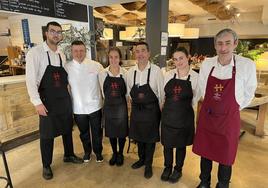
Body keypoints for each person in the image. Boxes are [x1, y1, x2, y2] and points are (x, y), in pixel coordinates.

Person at [192, 28, 257, 188]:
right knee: (205, 152)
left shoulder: (246, 65)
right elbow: (201, 88)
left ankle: (222, 184)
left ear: (235, 44)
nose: (223, 48)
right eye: (219, 44)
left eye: (227, 43)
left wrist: (234, 108)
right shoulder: (207, 64)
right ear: (215, 46)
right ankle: (204, 182)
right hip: (208, 117)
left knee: (226, 154)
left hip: (229, 119)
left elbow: (250, 92)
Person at [25, 22, 83, 180]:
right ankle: (46, 165)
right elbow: (30, 81)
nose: (56, 34)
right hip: (47, 101)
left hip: (63, 99)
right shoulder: (35, 53)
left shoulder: (61, 54)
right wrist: (37, 102)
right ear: (46, 33)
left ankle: (69, 155)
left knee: (66, 129)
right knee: (47, 134)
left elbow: (64, 78)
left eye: (59, 32)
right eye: (53, 31)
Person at [160, 47, 199, 183]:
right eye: (175, 59)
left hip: (184, 118)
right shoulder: (168, 75)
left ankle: (178, 169)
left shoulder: (195, 77)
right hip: (168, 116)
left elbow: (195, 100)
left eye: (181, 58)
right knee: (168, 145)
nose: (178, 62)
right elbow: (164, 97)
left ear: (188, 57)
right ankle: (167, 167)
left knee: (181, 145)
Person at [126, 41, 164, 179]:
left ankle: (148, 164)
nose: (140, 54)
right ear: (134, 53)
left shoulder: (156, 71)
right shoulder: (130, 72)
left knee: (150, 139)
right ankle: (141, 159)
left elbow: (161, 94)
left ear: (148, 53)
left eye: (143, 50)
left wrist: (161, 114)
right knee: (138, 137)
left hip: (151, 111)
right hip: (137, 110)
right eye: (137, 51)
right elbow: (129, 94)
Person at [65, 40, 104, 163]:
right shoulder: (67, 67)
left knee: (97, 132)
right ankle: (87, 152)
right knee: (84, 133)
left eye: (81, 50)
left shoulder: (96, 65)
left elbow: (103, 84)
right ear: (72, 52)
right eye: (76, 51)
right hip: (78, 108)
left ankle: (98, 152)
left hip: (95, 106)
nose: (78, 53)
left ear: (85, 51)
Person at [98, 47, 128, 166]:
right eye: (111, 57)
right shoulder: (103, 73)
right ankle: (114, 153)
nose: (113, 59)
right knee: (111, 132)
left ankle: (121, 153)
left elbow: (127, 92)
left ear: (119, 58)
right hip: (109, 106)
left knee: (121, 132)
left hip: (121, 106)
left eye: (116, 57)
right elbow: (103, 91)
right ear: (108, 58)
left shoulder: (125, 73)